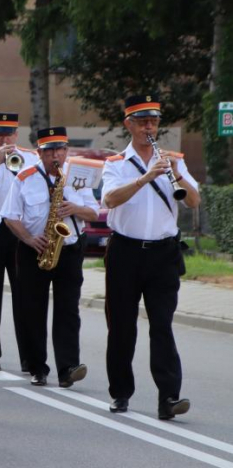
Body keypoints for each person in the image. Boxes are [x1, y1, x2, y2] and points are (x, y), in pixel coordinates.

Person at [101, 94, 200, 419]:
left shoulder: (174, 159)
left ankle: (169, 398)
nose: (149, 127)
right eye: (143, 121)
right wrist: (145, 178)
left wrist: (176, 173)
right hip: (126, 253)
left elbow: (193, 201)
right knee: (122, 327)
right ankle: (120, 393)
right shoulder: (116, 163)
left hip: (163, 254)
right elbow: (111, 200)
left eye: (154, 121)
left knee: (162, 325)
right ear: (128, 124)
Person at [1, 127, 99, 388]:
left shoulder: (78, 176)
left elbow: (94, 212)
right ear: (39, 153)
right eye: (50, 151)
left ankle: (67, 367)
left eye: (60, 149)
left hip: (70, 249)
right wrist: (29, 239)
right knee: (33, 310)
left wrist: (75, 207)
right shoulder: (24, 177)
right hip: (35, 248)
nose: (56, 155)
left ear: (67, 151)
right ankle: (37, 367)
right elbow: (10, 216)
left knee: (68, 311)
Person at [0, 112, 39, 372]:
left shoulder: (31, 158)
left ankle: (28, 357)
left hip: (20, 229)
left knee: (25, 294)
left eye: (9, 133)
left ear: (16, 134)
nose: (4, 138)